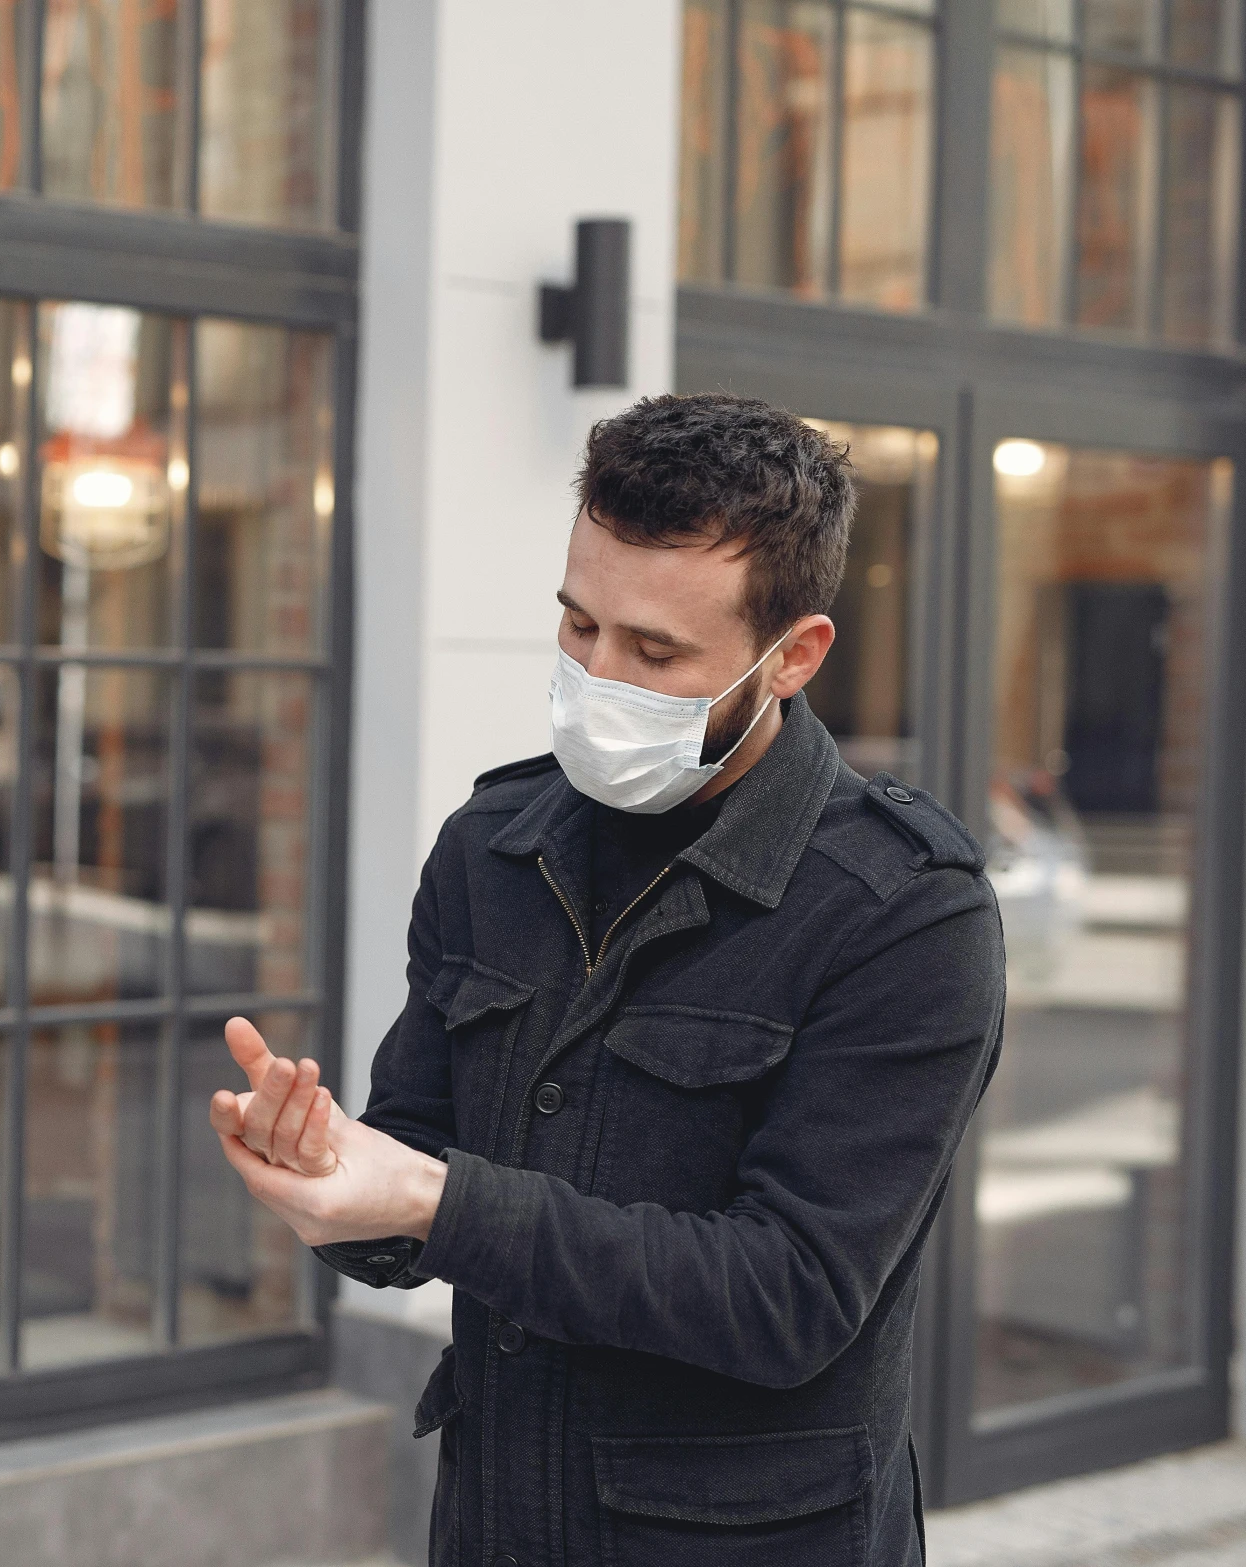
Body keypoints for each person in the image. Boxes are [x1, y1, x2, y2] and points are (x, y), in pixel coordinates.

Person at [211, 394, 1004, 1566]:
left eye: (654, 651)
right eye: (578, 625)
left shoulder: (902, 911)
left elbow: (787, 1295)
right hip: (495, 1523)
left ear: (794, 655)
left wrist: (431, 1200)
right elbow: (414, 1159)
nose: (596, 676)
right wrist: (332, 1181)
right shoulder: (492, 845)